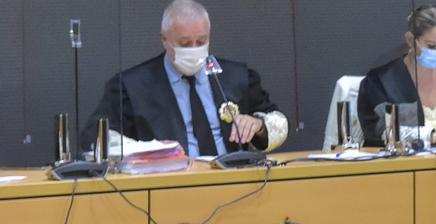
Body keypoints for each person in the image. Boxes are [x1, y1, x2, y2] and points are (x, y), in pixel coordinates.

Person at [82, 0, 287, 157]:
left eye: (201, 41)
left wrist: (259, 125)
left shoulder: (236, 76)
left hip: (233, 179)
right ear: (164, 39)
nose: (194, 49)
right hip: (168, 186)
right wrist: (147, 150)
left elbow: (278, 122)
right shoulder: (132, 86)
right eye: (185, 43)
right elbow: (96, 138)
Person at [357, 5, 436, 148]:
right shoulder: (381, 82)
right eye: (431, 46)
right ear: (410, 39)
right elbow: (378, 131)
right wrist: (435, 137)